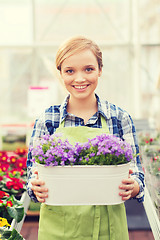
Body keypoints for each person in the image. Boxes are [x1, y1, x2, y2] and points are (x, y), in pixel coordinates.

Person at [27, 36, 145, 240]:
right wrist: (34, 186)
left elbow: (137, 174)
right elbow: (32, 174)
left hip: (108, 229)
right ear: (60, 74)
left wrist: (132, 187)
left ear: (100, 70)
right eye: (70, 71)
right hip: (59, 229)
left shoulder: (119, 118)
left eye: (88, 69)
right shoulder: (48, 120)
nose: (80, 78)